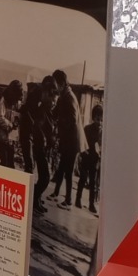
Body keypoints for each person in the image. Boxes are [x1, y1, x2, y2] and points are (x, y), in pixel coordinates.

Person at [48, 69, 82, 205]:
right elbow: (56, 112)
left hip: (72, 140)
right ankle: (56, 193)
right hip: (67, 139)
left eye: (56, 84)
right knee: (62, 167)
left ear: (62, 83)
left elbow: (72, 119)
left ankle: (68, 201)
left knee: (68, 171)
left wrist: (59, 123)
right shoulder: (64, 95)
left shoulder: (69, 97)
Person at [75, 103, 103, 213]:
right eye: (98, 119)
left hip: (94, 159)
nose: (99, 122)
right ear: (93, 118)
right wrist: (83, 154)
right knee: (82, 178)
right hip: (86, 157)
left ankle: (91, 204)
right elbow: (82, 143)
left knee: (92, 182)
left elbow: (101, 146)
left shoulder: (101, 132)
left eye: (101, 120)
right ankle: (78, 199)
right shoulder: (87, 129)